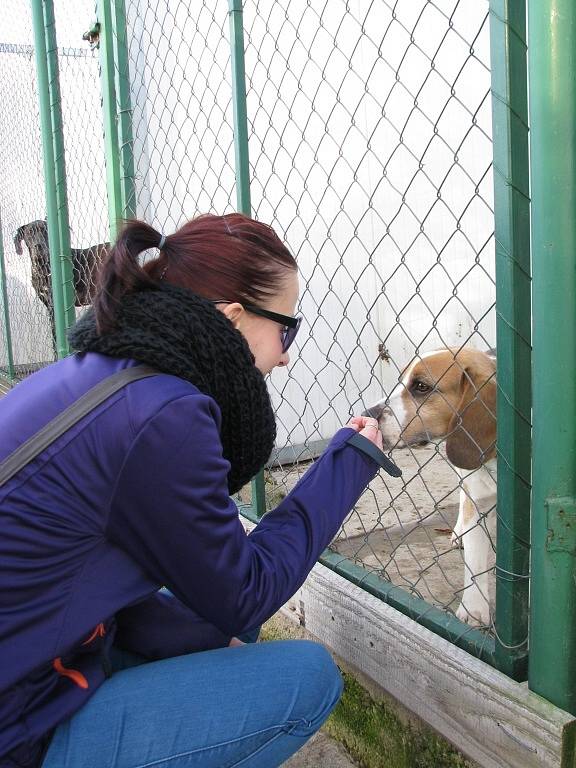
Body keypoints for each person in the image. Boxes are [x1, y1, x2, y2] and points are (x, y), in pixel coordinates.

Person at [0, 213, 398, 768]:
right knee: (305, 680)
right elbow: (247, 592)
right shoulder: (164, 414)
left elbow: (122, 583)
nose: (285, 355)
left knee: (214, 619)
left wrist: (211, 638)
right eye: (288, 329)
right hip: (17, 729)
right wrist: (348, 462)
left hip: (36, 658)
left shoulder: (100, 369)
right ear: (234, 318)